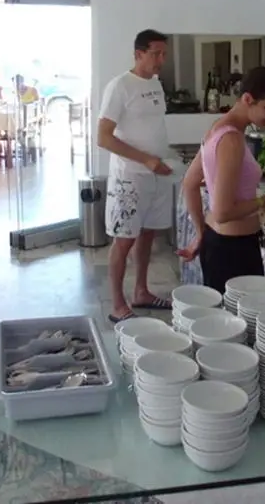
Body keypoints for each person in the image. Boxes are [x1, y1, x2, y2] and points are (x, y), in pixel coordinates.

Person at [179, 67, 265, 292]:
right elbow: (222, 213)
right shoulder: (231, 140)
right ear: (247, 99)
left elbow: (190, 183)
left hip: (219, 242)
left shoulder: (218, 127)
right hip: (233, 250)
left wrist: (201, 234)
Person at [97, 29, 175, 322]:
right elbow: (104, 137)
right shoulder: (119, 86)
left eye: (164, 54)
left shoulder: (156, 83)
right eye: (156, 54)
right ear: (138, 54)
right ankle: (118, 305)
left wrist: (161, 160)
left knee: (148, 233)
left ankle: (141, 292)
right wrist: (146, 159)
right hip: (130, 177)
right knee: (124, 238)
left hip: (157, 174)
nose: (161, 59)